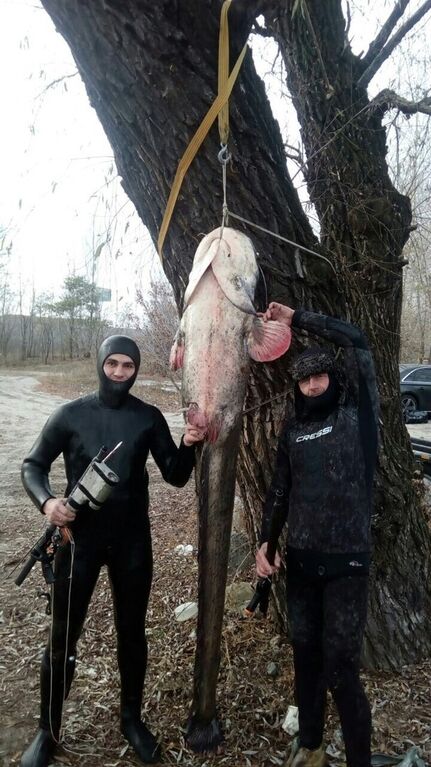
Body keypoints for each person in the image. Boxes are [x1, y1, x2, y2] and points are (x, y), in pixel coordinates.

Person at [20, 335, 205, 767]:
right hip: (77, 542)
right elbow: (33, 465)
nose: (120, 373)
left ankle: (131, 720)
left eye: (128, 366)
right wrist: (48, 502)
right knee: (62, 636)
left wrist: (190, 443)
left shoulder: (148, 418)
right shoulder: (70, 415)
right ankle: (47, 730)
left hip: (132, 543)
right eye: (113, 364)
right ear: (100, 364)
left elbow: (176, 475)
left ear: (136, 369)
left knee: (132, 634)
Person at [256, 303, 379, 767]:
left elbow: (357, 340)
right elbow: (279, 491)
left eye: (319, 376)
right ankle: (309, 744)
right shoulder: (293, 429)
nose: (311, 385)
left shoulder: (358, 419)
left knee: (341, 666)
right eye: (304, 380)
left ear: (332, 378)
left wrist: (298, 319)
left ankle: (359, 760)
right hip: (302, 563)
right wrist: (266, 542)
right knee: (305, 655)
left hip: (347, 564)